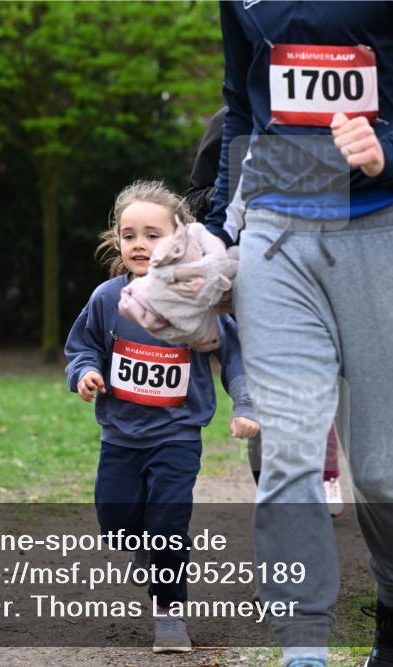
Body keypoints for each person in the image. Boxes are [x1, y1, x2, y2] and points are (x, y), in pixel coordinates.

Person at [205, 2, 393, 664]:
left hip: (385, 229)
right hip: (276, 233)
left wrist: (392, 150)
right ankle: (304, 646)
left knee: (378, 468)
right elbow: (240, 105)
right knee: (289, 453)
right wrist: (220, 228)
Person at [64, 181, 259, 654]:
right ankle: (146, 550)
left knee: (169, 526)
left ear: (179, 240)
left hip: (177, 434)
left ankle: (169, 614)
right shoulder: (108, 298)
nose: (140, 244)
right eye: (129, 235)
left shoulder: (198, 299)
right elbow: (83, 346)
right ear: (117, 239)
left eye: (153, 235)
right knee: (114, 522)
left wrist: (245, 404)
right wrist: (86, 373)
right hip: (120, 436)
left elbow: (233, 354)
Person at [185, 107, 346, 518]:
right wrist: (237, 192)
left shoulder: (315, 121)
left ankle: (317, 477)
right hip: (246, 274)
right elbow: (194, 200)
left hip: (309, 272)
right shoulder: (228, 122)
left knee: (307, 382)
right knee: (264, 398)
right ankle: (279, 498)